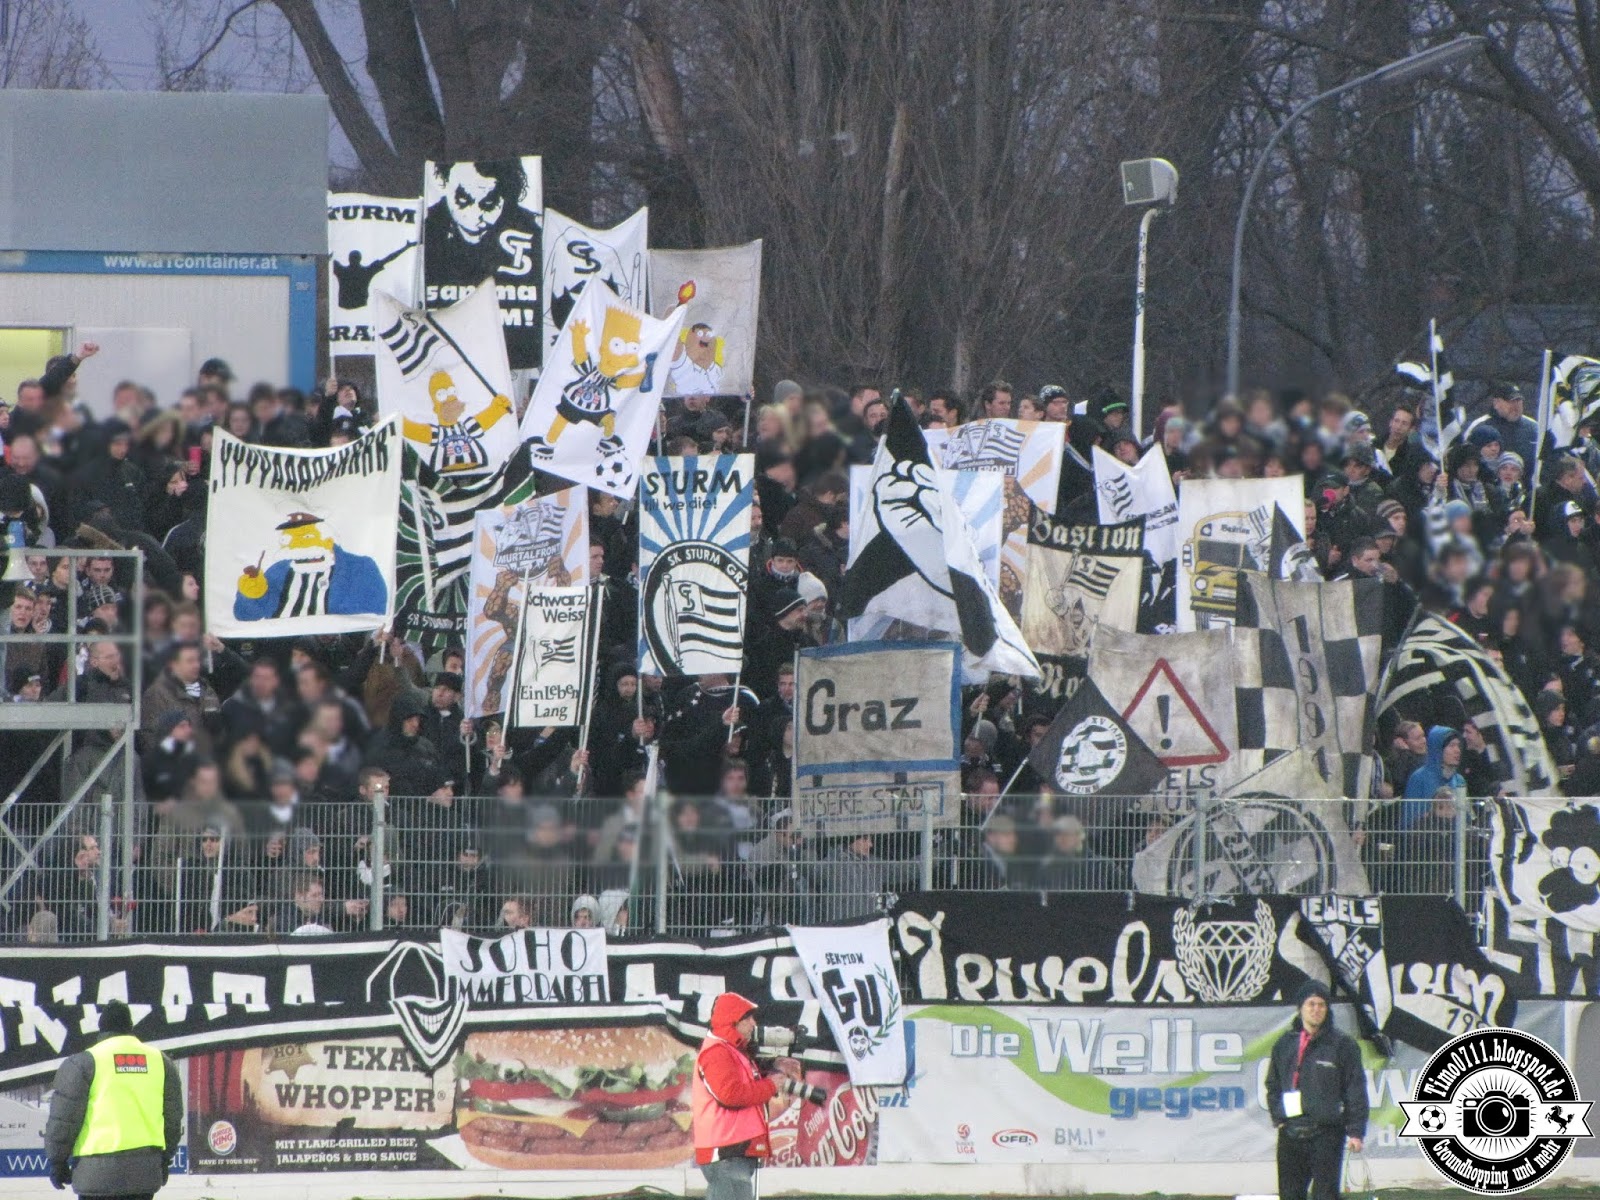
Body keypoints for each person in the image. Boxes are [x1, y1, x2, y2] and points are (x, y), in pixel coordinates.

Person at [44, 999, 182, 1199]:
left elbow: (65, 1118)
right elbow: (172, 1118)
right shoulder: (161, 1062)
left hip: (94, 1175)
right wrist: (165, 1159)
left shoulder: (83, 1063)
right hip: (142, 1176)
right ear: (130, 1028)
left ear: (101, 1029)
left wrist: (57, 1161)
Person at [691, 992, 822, 1200]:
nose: (754, 1023)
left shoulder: (727, 1049)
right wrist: (771, 1085)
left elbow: (742, 1075)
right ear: (733, 1019)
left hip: (731, 1150)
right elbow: (730, 1095)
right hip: (728, 1152)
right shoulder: (717, 1052)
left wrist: (773, 1064)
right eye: (749, 1017)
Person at [1265, 981, 1367, 1200]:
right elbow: (1272, 1084)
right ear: (1301, 1008)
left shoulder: (1342, 1045)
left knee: (1325, 1196)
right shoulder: (1284, 1044)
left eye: (1321, 1004)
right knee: (1290, 1195)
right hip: (1291, 1133)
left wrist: (1356, 1131)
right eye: (1310, 1004)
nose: (1316, 1009)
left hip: (1327, 1133)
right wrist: (1279, 1117)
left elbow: (1355, 1089)